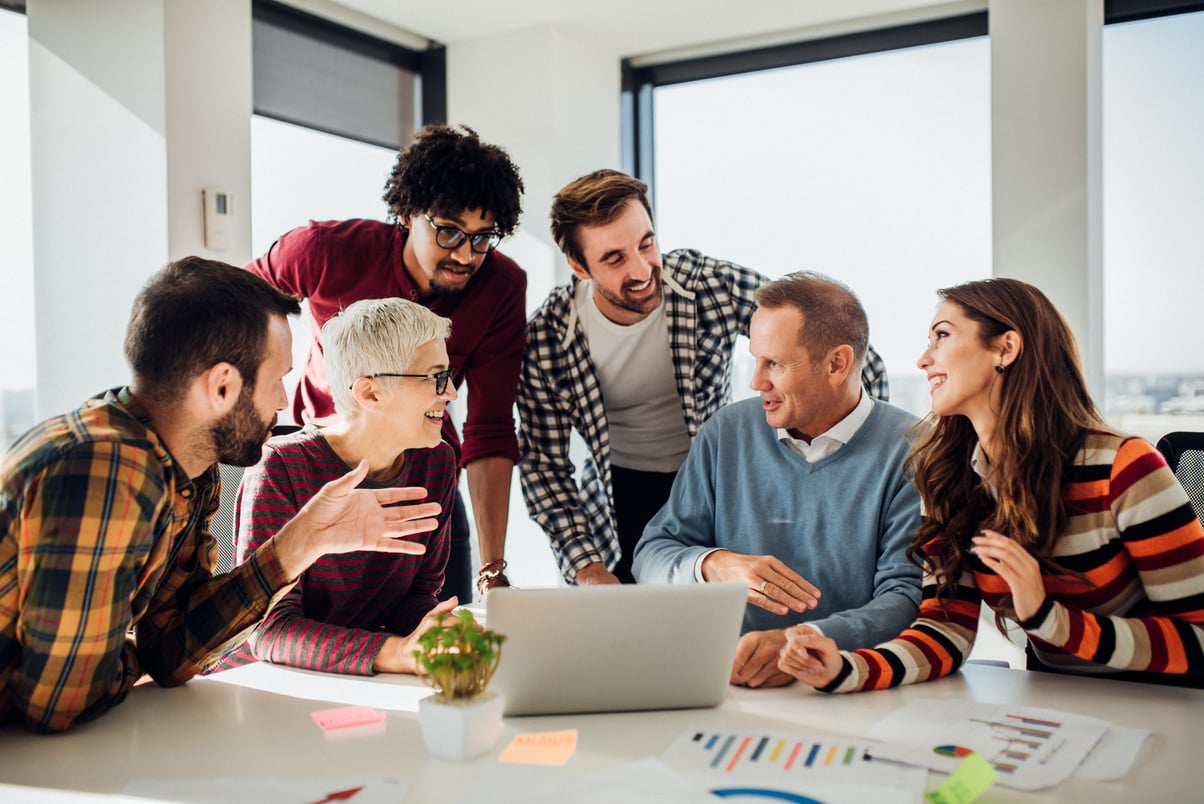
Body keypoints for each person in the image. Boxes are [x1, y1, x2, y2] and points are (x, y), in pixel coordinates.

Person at [0, 259, 441, 732]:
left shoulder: (193, 466)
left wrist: (300, 544)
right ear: (223, 386)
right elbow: (62, 702)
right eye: (276, 380)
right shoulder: (105, 470)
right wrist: (131, 659)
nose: (281, 404)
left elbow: (171, 650)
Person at [779, 278, 1204, 692]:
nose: (923, 360)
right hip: (1055, 700)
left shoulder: (1123, 467)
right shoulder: (949, 476)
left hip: (1165, 703)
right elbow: (946, 629)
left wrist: (1047, 617)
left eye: (941, 336)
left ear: (1006, 348)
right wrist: (847, 669)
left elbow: (1199, 638)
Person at [519, 170, 890, 586]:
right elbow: (544, 466)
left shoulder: (707, 284)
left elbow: (851, 354)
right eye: (615, 258)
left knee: (732, 618)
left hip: (715, 481)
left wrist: (842, 470)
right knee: (627, 638)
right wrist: (586, 567)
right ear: (578, 266)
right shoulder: (546, 339)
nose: (643, 270)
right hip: (616, 499)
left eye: (647, 243)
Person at [247, 124, 526, 601]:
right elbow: (237, 306)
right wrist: (270, 391)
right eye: (449, 231)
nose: (466, 254)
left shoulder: (501, 286)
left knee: (438, 635)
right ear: (408, 212)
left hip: (425, 476)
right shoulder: (325, 251)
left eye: (483, 238)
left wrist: (492, 568)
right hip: (316, 468)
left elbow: (490, 429)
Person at [632, 272, 922, 689]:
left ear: (837, 363)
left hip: (853, 691)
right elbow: (651, 555)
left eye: (775, 364)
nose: (756, 382)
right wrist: (715, 565)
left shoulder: (915, 451)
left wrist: (802, 643)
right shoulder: (725, 432)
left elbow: (907, 599)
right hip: (730, 687)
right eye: (755, 359)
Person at [211, 299, 459, 675]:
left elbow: (415, 596)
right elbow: (269, 630)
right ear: (370, 394)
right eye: (436, 377)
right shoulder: (280, 467)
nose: (452, 392)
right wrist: (397, 653)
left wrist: (435, 630)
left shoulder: (437, 462)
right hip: (256, 684)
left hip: (351, 683)